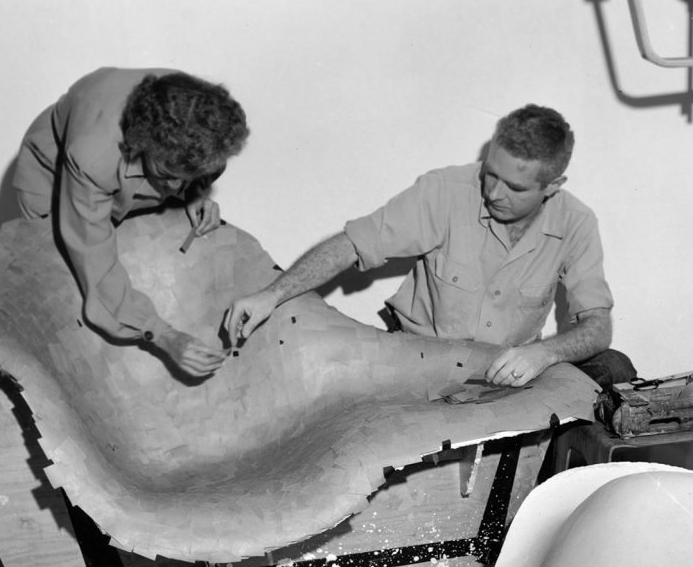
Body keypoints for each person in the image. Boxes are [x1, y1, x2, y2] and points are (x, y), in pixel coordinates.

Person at [221, 104, 629, 387]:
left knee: (615, 368)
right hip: (418, 362)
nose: (494, 192)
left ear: (553, 186)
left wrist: (544, 355)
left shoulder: (576, 222)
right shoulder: (445, 190)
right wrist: (271, 295)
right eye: (491, 174)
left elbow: (597, 325)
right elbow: (351, 245)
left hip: (504, 372)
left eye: (515, 187)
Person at [13, 67, 250, 378]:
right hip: (54, 178)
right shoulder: (91, 156)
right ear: (141, 146)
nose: (174, 190)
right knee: (66, 286)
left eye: (186, 178)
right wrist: (162, 334)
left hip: (124, 164)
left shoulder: (200, 116)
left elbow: (190, 169)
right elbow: (95, 264)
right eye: (168, 177)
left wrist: (195, 192)